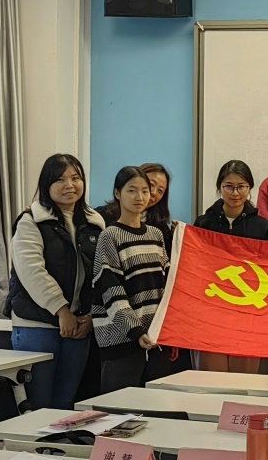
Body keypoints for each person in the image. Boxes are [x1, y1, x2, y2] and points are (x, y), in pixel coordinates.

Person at [6, 154, 102, 410]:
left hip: (79, 325)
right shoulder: (31, 221)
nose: (69, 185)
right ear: (46, 184)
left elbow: (101, 275)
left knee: (66, 404)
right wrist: (62, 310)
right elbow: (32, 272)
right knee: (38, 405)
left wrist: (91, 316)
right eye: (59, 179)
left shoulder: (94, 223)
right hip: (37, 324)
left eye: (75, 178)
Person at [193, 160, 268, 374]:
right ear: (219, 188)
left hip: (248, 312)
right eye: (229, 187)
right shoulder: (204, 224)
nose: (235, 193)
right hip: (213, 311)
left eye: (241, 187)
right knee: (212, 376)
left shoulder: (261, 226)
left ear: (250, 188)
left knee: (245, 377)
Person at [91, 166, 169, 393]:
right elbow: (111, 290)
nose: (139, 197)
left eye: (145, 191)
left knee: (154, 406)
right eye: (132, 191)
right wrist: (134, 330)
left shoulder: (155, 235)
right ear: (118, 193)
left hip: (154, 339)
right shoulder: (110, 236)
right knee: (118, 407)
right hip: (121, 339)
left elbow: (166, 284)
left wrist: (161, 327)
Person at [100, 163, 174, 254]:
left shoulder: (160, 230)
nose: (154, 193)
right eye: (151, 184)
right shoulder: (102, 218)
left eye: (160, 191)